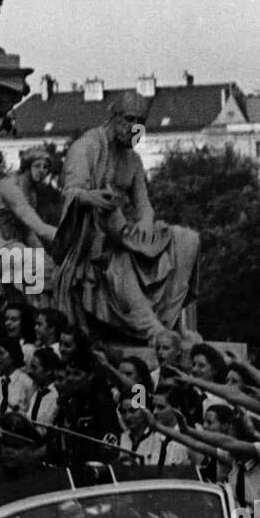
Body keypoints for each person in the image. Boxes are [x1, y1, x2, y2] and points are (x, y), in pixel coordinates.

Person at [52, 94, 199, 343]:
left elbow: (144, 205)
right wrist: (95, 198)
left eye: (140, 121)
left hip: (124, 230)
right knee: (120, 260)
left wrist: (145, 223)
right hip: (94, 238)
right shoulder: (87, 147)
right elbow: (71, 193)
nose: (135, 127)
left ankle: (171, 322)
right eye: (130, 119)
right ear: (114, 117)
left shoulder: (133, 160)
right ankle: (153, 329)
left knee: (187, 240)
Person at [0, 150, 59, 295]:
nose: (42, 171)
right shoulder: (9, 187)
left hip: (12, 244)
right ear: (26, 166)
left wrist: (44, 255)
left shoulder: (31, 195)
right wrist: (68, 235)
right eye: (37, 165)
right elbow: (39, 227)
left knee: (50, 267)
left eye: (45, 167)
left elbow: (28, 232)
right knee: (32, 262)